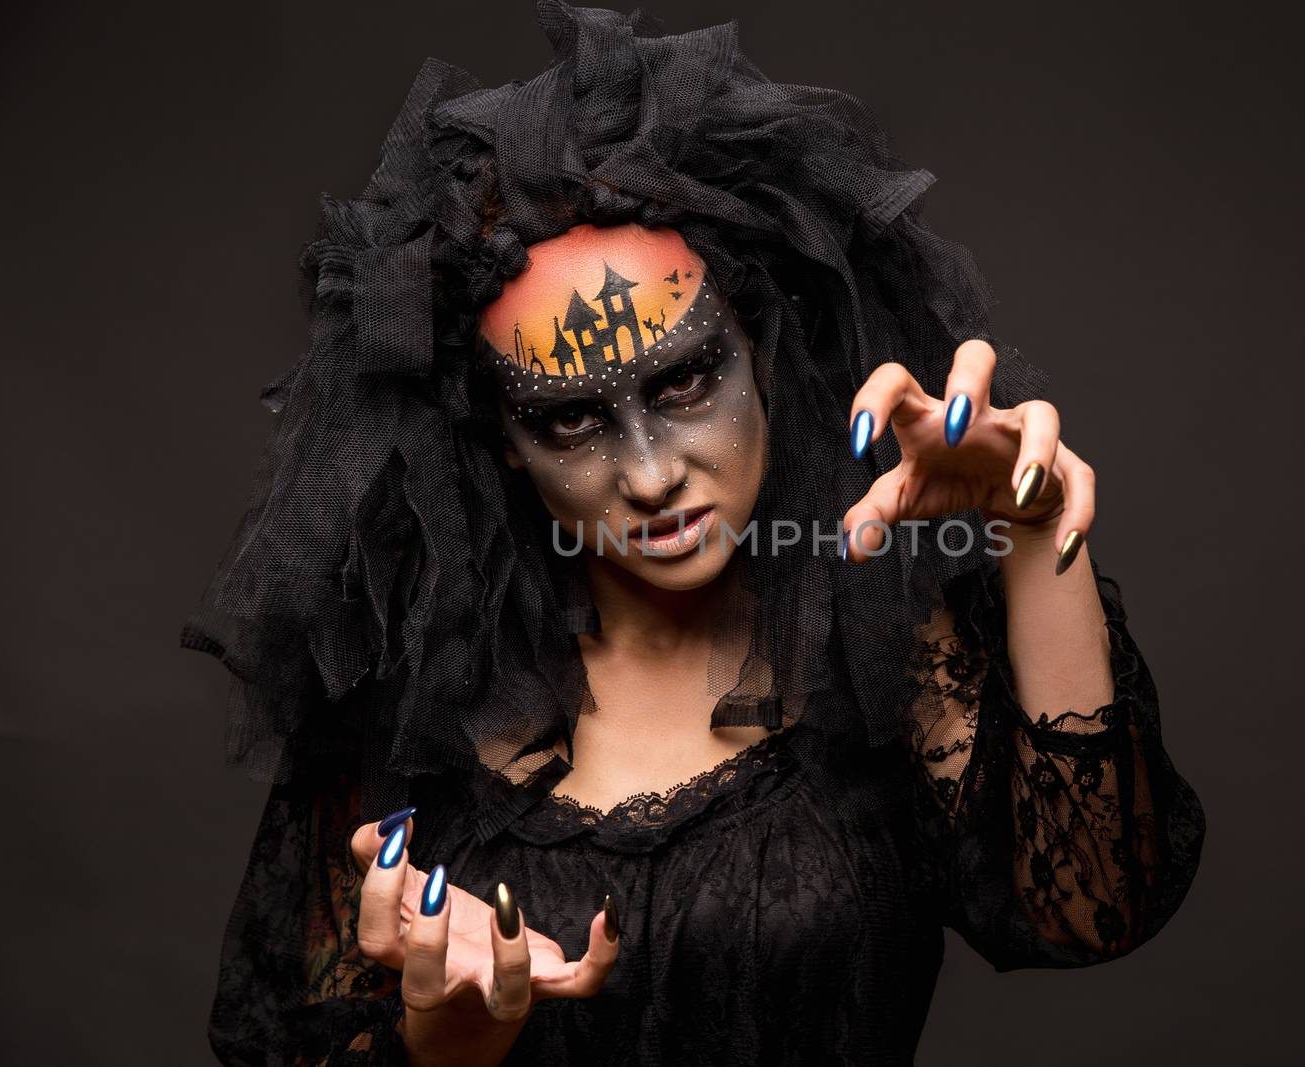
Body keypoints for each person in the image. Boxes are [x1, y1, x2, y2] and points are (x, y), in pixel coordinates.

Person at [181, 3, 1206, 1064]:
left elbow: (1094, 908)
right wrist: (444, 1042)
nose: (653, 470)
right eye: (568, 417)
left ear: (760, 349)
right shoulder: (408, 713)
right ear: (498, 442)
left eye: (683, 380)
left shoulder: (893, 660)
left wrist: (1032, 532)